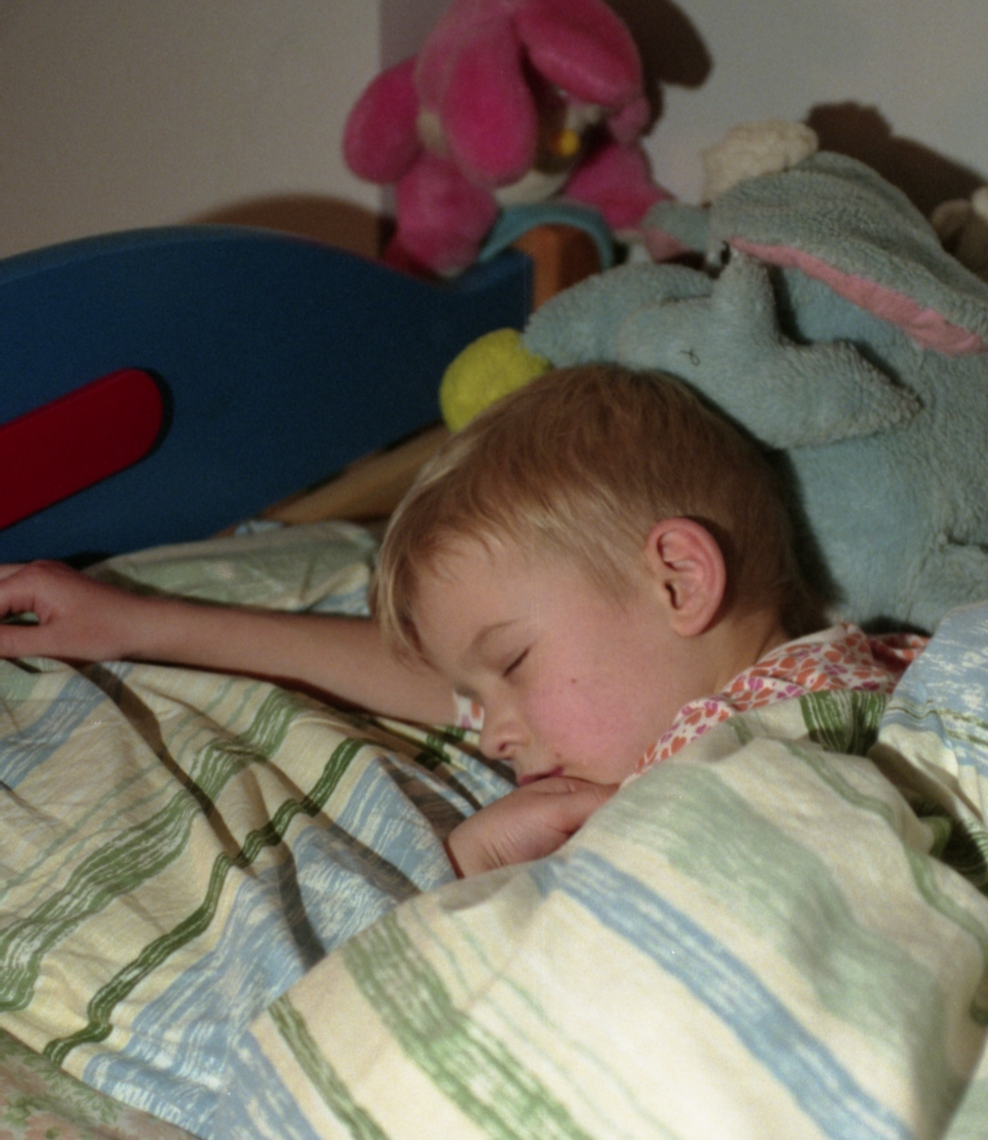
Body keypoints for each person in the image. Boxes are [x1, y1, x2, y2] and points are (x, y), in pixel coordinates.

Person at [0, 365, 923, 877]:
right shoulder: (816, 685)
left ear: (679, 580)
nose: (487, 733)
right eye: (477, 693)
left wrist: (473, 877)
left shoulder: (778, 746)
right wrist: (139, 625)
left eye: (513, 662)